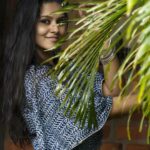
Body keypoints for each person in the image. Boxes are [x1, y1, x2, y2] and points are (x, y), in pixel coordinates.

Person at [1, 0, 140, 150]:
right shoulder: (35, 80)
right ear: (29, 25)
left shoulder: (65, 69)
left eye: (61, 21)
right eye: (45, 21)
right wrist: (144, 98)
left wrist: (102, 38)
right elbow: (96, 110)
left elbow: (112, 91)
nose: (55, 28)